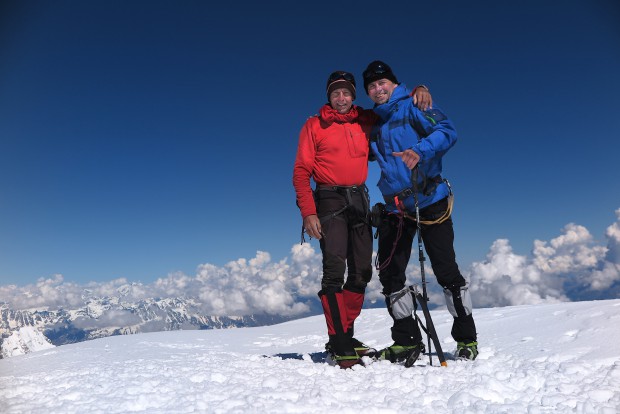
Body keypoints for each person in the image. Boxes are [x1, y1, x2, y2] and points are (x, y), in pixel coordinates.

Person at [292, 70, 431, 368]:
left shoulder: (364, 120)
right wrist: (308, 212)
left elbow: (391, 105)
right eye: (335, 93)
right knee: (334, 268)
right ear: (328, 97)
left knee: (361, 272)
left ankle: (345, 335)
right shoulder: (314, 125)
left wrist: (417, 89)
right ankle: (339, 342)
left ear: (353, 96)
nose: (341, 98)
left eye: (346, 93)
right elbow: (302, 172)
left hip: (360, 198)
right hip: (328, 199)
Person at [362, 60, 478, 363]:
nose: (377, 89)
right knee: (389, 272)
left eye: (382, 83)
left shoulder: (416, 104)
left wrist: (421, 150)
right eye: (371, 86)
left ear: (393, 83)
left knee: (446, 271)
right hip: (396, 207)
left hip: (430, 200)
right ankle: (406, 341)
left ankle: (467, 339)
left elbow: (447, 130)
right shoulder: (374, 122)